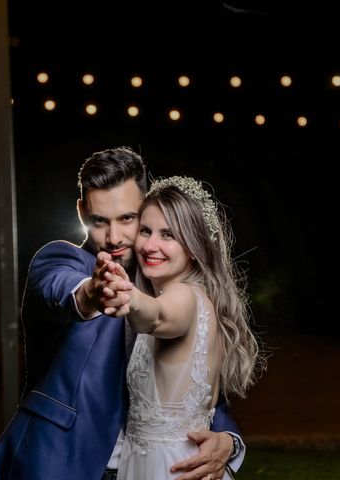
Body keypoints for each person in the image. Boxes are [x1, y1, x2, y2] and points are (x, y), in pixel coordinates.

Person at [0, 148, 245, 480]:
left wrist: (227, 440)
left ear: (147, 209)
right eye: (99, 221)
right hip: (60, 464)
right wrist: (93, 293)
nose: (114, 237)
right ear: (81, 213)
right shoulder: (59, 261)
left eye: (127, 219)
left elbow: (192, 384)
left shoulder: (171, 286)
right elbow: (60, 291)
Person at [98, 176, 261, 480]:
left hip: (170, 468)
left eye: (168, 235)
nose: (150, 245)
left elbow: (158, 316)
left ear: (194, 246)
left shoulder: (185, 296)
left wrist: (128, 296)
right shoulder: (183, 291)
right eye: (145, 231)